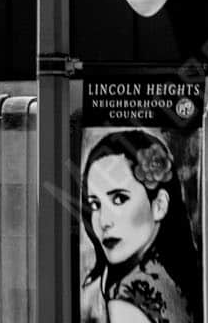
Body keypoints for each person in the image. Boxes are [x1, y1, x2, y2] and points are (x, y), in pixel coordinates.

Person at [79, 130, 201, 323]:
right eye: (95, 204)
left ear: (159, 205)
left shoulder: (127, 300)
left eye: (119, 199)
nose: (104, 221)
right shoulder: (182, 279)